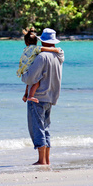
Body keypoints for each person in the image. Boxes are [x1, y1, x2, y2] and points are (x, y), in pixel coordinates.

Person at [21, 28, 64, 165]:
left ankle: (41, 160)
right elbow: (59, 50)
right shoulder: (59, 55)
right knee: (46, 128)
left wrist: (23, 74)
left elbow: (30, 78)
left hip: (38, 97)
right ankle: (47, 160)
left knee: (37, 128)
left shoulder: (41, 57)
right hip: (51, 96)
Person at [17, 28, 60, 103]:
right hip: (29, 74)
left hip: (24, 72)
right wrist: (56, 50)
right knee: (37, 81)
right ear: (36, 41)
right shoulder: (36, 49)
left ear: (26, 43)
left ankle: (26, 95)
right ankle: (30, 96)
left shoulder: (26, 49)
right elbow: (45, 49)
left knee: (30, 83)